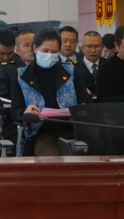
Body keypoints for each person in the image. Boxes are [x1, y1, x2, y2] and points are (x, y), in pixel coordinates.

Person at [9, 27, 86, 155]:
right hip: (42, 132)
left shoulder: (71, 71)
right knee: (51, 157)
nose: (49, 55)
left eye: (54, 51)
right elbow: (15, 110)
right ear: (35, 49)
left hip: (73, 129)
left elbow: (85, 102)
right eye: (45, 51)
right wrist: (26, 112)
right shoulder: (21, 75)